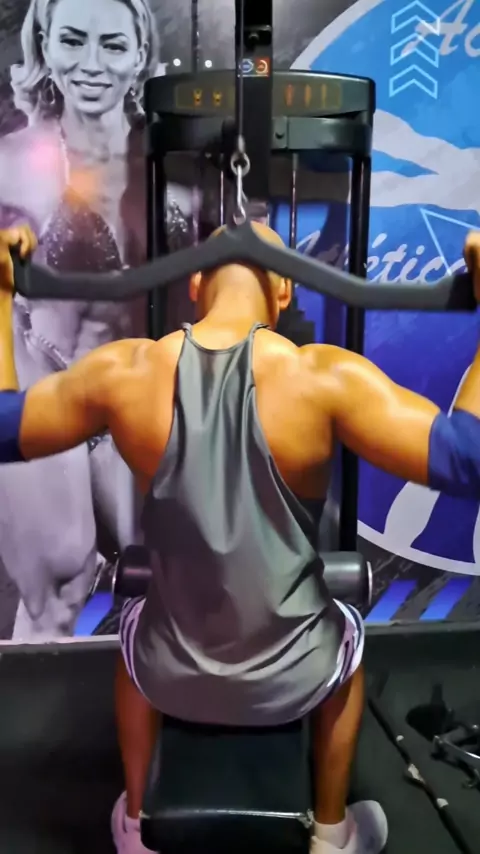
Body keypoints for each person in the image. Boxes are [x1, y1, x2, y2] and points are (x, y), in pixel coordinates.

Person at [2, 223, 480, 854]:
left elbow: (4, 427)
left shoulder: (124, 371)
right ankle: (332, 833)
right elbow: (466, 457)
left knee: (135, 626)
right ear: (284, 290)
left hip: (169, 668)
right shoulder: (324, 377)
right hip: (295, 672)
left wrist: (1, 294)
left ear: (196, 282)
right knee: (348, 641)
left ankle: (137, 825)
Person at [0, 0, 194, 639]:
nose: (91, 64)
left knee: (170, 589)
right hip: (52, 390)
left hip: (140, 397)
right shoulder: (12, 162)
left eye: (112, 45)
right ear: (45, 45)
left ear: (139, 55)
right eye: (73, 41)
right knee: (58, 590)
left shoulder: (176, 166)